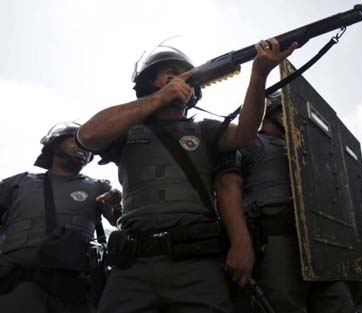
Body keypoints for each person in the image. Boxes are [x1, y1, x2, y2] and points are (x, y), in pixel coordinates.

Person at [77, 38, 296, 313]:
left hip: (196, 262)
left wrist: (259, 73)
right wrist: (159, 98)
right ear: (147, 82)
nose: (180, 76)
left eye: (184, 72)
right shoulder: (126, 130)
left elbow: (246, 133)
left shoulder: (205, 129)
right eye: (169, 71)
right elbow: (86, 135)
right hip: (132, 265)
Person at [223, 93, 355, 313]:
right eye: (284, 111)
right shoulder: (249, 143)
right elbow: (229, 186)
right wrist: (239, 240)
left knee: (338, 304)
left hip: (320, 242)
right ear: (270, 113)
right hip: (275, 238)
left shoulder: (307, 150)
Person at [0, 122, 121, 313]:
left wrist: (115, 206)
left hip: (73, 290)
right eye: (75, 141)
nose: (83, 148)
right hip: (17, 286)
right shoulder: (18, 183)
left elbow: (119, 221)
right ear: (54, 144)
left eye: (88, 147)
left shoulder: (99, 188)